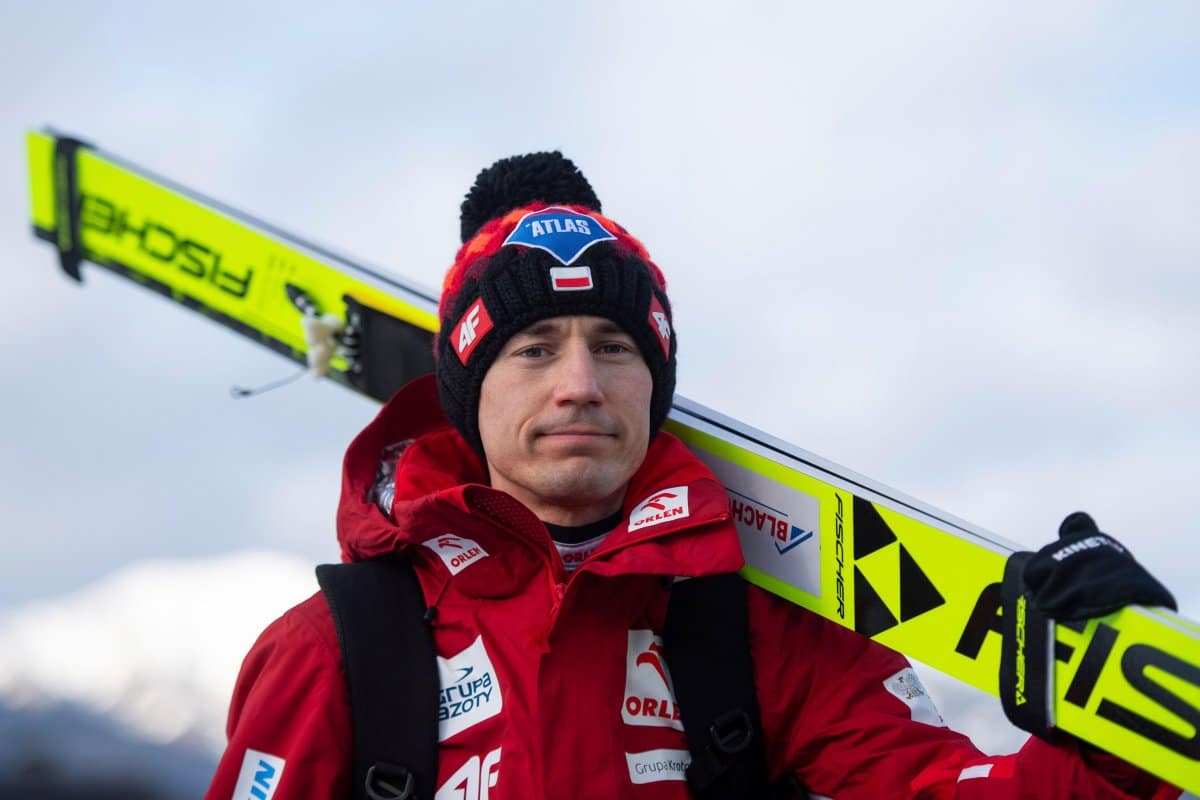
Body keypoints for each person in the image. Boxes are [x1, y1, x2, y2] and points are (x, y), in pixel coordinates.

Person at [206, 152, 1181, 799]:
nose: (581, 384)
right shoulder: (335, 650)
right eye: (535, 349)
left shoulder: (756, 632)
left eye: (615, 347)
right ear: (469, 390)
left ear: (655, 382)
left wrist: (1110, 720)